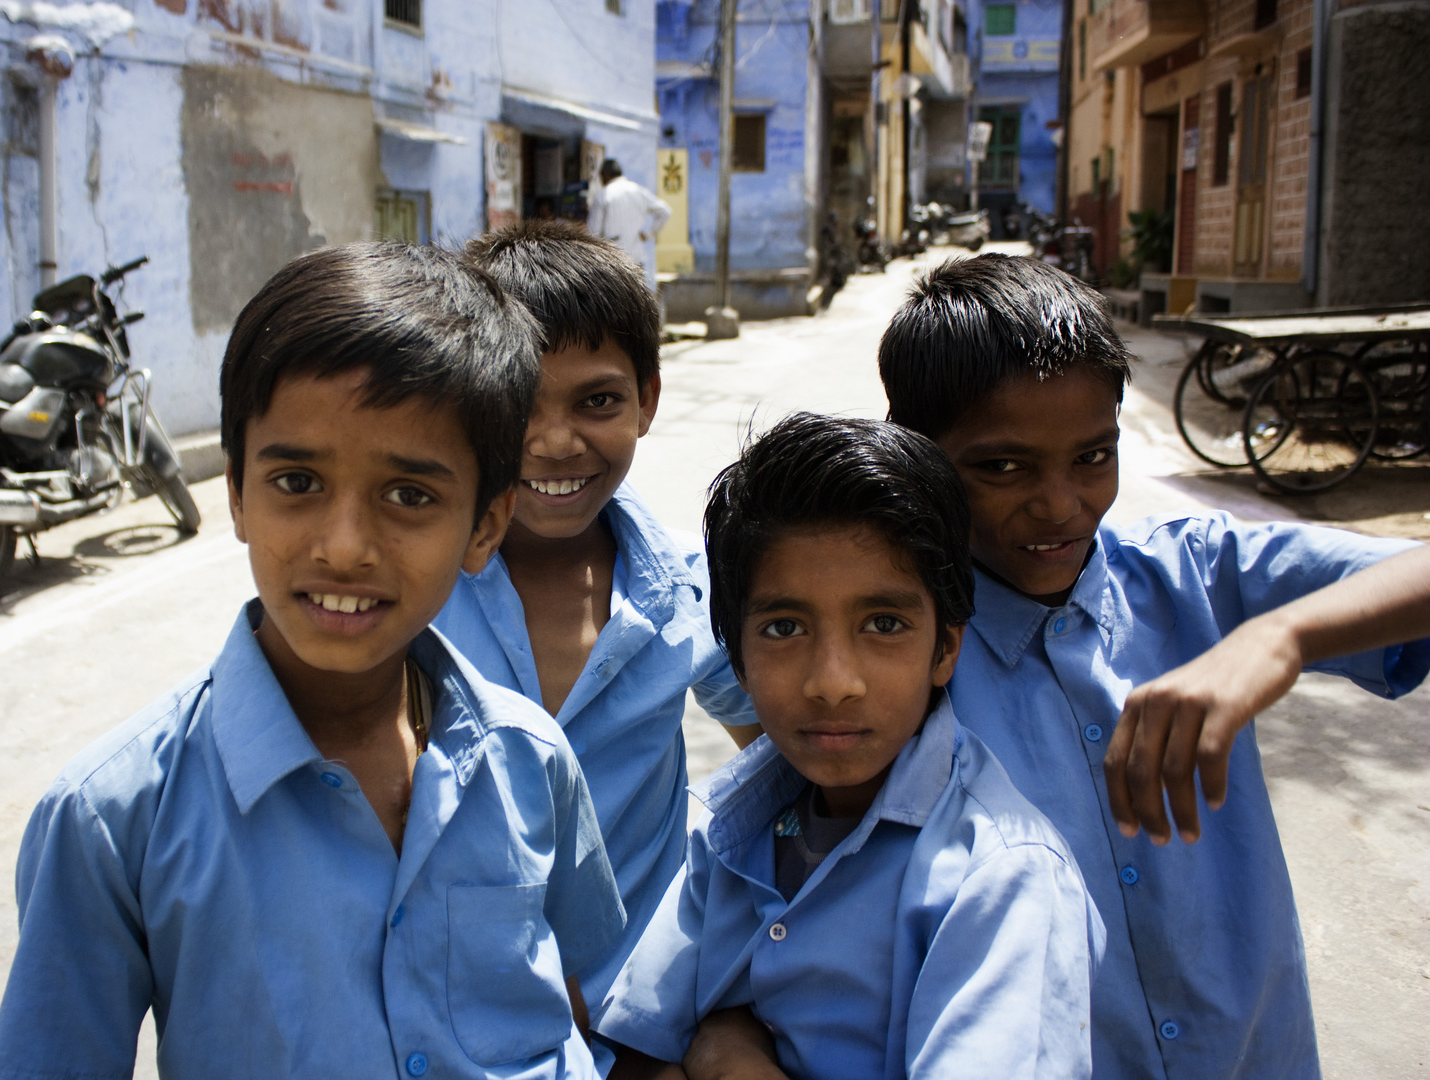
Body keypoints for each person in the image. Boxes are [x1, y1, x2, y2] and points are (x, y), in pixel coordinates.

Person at [681, 253, 1430, 1079]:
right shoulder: (894, 653)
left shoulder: (1195, 574)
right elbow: (776, 875)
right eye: (1002, 467)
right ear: (916, 454)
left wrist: (1276, 639)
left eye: (1093, 456)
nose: (1061, 503)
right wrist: (727, 1026)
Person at [0, 243, 626, 1080]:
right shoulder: (115, 820)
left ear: (486, 528)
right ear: (236, 494)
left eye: (409, 496)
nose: (345, 548)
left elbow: (576, 995)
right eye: (296, 482)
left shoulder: (530, 759)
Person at [595, 413, 1105, 1080]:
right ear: (738, 658)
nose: (833, 682)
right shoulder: (736, 827)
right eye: (784, 627)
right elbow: (636, 1052)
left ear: (946, 647)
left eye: (884, 623)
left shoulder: (1001, 881)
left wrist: (724, 1052)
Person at [434, 220, 761, 1045]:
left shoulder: (694, 589)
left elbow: (783, 762)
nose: (554, 441)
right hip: (457, 1015)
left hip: (641, 1013)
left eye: (599, 401)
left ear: (648, 400)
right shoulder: (415, 591)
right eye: (517, 404)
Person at [589, 158, 672, 289]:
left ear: (606, 174)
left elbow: (593, 233)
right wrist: (648, 234)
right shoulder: (638, 191)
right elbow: (665, 211)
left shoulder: (603, 195)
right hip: (635, 262)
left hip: (611, 264)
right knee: (636, 304)